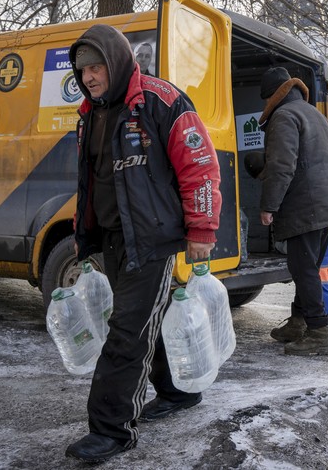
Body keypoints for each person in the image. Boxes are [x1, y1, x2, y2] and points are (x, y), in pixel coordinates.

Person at [65, 24, 221, 462]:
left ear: (115, 62)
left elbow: (200, 167)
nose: (90, 77)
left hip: (151, 239)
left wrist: (202, 229)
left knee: (127, 332)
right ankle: (176, 390)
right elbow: (91, 181)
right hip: (113, 239)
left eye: (96, 67)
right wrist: (83, 230)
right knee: (153, 316)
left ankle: (112, 430)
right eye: (83, 71)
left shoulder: (161, 100)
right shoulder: (89, 113)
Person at [255, 67, 328, 356]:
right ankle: (298, 323)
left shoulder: (284, 116)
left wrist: (268, 206)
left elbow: (281, 166)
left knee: (304, 270)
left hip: (305, 207)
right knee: (307, 268)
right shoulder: (312, 112)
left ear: (273, 96)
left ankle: (318, 334)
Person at [244, 152, 328, 329]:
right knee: (327, 252)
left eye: (264, 176)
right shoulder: (288, 160)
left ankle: (326, 312)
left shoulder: (285, 169)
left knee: (318, 253)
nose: (265, 180)